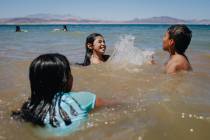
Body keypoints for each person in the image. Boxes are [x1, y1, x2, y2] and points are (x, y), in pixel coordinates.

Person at [11, 53, 111, 136]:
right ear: (66, 79)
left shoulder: (29, 107)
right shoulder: (82, 98)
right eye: (69, 73)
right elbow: (117, 105)